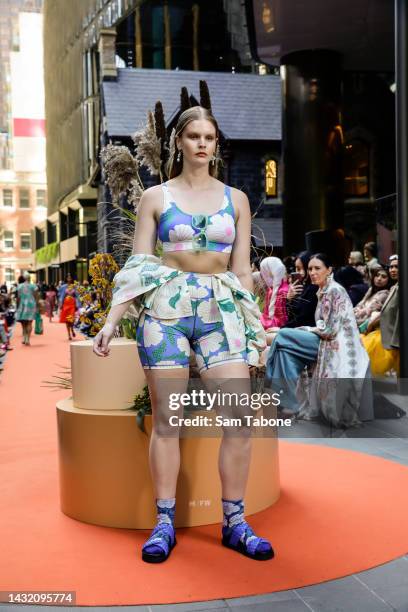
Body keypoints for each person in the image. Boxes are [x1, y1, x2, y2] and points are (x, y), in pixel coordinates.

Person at [93, 106, 273, 564]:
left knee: (239, 419)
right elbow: (139, 267)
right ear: (178, 142)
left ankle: (235, 522)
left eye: (209, 137)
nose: (201, 144)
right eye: (193, 135)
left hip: (220, 311)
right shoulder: (154, 196)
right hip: (166, 311)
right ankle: (164, 522)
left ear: (216, 144)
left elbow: (241, 273)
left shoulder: (237, 200)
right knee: (167, 421)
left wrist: (256, 329)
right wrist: (113, 320)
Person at [266, 253, 373, 427]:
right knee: (286, 353)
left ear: (329, 270)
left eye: (317, 268)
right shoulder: (322, 291)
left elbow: (330, 330)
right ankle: (287, 407)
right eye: (310, 269)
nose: (313, 272)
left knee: (282, 335)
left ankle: (270, 388)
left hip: (335, 345)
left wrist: (304, 329)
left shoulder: (334, 290)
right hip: (324, 340)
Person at [361, 255, 399, 375]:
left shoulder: (391, 290)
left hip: (393, 338)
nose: (393, 269)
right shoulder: (395, 287)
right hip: (386, 334)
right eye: (391, 267)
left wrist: (371, 323)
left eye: (397, 267)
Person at [284, 250, 318, 329]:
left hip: (306, 330)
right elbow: (291, 316)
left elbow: (302, 319)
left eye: (302, 269)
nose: (300, 273)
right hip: (296, 328)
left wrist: (282, 329)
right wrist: (289, 299)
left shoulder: (313, 289)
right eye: (297, 269)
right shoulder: (301, 287)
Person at [354, 267, 391, 333]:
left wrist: (351, 318)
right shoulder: (371, 289)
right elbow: (360, 304)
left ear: (388, 280)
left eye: (383, 277)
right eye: (377, 275)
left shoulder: (385, 294)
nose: (379, 279)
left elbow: (367, 312)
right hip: (357, 321)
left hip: (366, 327)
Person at [259, 257, 289, 330]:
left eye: (264, 272)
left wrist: (259, 320)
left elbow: (281, 321)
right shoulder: (271, 289)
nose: (263, 276)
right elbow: (266, 314)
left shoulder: (282, 291)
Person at [15, 272, 39, 345]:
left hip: (22, 305)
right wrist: (37, 305)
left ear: (24, 278)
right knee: (29, 322)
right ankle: (28, 339)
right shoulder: (33, 286)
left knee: (23, 323)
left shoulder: (19, 286)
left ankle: (24, 338)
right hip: (31, 305)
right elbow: (36, 297)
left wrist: (17, 305)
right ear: (29, 278)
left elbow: (18, 297)